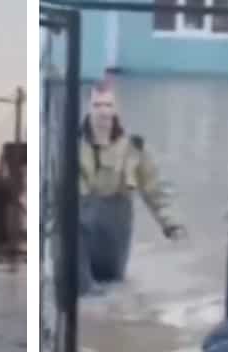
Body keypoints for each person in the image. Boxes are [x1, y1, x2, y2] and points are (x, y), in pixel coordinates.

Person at [56, 80, 185, 297]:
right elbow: (53, 192)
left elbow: (155, 190)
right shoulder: (69, 146)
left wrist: (172, 225)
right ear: (89, 108)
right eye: (98, 105)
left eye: (108, 105)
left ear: (116, 109)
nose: (103, 112)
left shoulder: (134, 148)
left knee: (113, 288)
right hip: (80, 231)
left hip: (115, 233)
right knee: (83, 290)